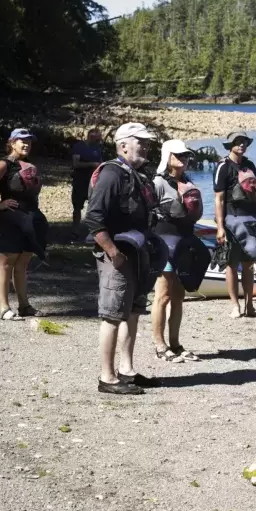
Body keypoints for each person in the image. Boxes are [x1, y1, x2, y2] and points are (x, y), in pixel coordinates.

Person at [83, 122, 161, 395]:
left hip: (136, 253)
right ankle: (107, 377)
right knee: (112, 314)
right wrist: (113, 252)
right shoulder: (112, 174)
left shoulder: (136, 174)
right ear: (123, 144)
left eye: (147, 141)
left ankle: (126, 370)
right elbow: (93, 217)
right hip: (116, 255)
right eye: (141, 141)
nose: (146, 146)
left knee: (133, 311)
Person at [0, 128, 49, 320]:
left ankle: (25, 306)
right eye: (21, 141)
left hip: (30, 218)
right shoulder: (4, 164)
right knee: (6, 263)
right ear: (12, 143)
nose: (26, 144)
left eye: (29, 142)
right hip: (11, 219)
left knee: (23, 264)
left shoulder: (28, 165)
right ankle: (4, 308)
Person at [151, 139, 204, 362]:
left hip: (184, 243)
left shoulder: (188, 182)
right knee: (162, 295)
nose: (183, 159)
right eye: (178, 155)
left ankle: (175, 343)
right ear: (167, 157)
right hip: (164, 243)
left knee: (178, 296)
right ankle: (159, 345)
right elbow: (148, 213)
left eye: (185, 156)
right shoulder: (158, 183)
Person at [213, 130, 256, 318]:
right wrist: (220, 227)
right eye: (238, 142)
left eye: (244, 142)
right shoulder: (223, 167)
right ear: (230, 145)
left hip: (250, 220)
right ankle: (235, 305)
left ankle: (250, 305)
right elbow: (219, 199)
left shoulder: (250, 165)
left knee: (249, 263)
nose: (242, 145)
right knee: (231, 264)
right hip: (231, 221)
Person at [71, 128, 104, 239]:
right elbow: (75, 164)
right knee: (77, 206)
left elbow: (99, 163)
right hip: (80, 181)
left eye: (99, 140)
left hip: (94, 182)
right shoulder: (79, 147)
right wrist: (92, 164)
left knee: (93, 206)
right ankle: (75, 230)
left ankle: (92, 230)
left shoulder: (98, 148)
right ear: (90, 137)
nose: (98, 142)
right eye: (96, 140)